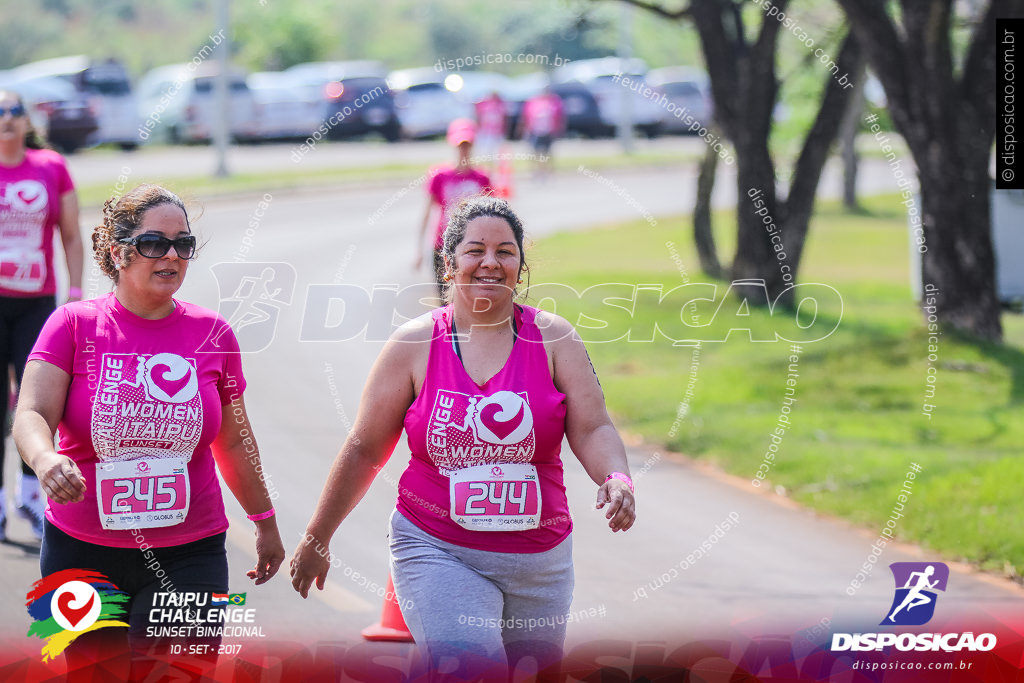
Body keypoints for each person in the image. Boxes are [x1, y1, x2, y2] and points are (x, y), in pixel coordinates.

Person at [291, 195, 636, 679]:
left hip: (541, 561)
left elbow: (593, 426)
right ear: (449, 263)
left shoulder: (555, 339)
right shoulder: (415, 344)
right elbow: (364, 447)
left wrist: (617, 477)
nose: (490, 263)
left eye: (505, 251)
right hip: (437, 547)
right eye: (475, 250)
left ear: (521, 265)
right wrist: (318, 537)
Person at [13, 184, 284, 680]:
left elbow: (235, 441)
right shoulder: (72, 325)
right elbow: (31, 413)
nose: (172, 256)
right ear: (118, 252)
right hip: (82, 547)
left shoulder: (214, 334)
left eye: (184, 244)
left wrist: (263, 519)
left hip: (190, 551)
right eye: (155, 243)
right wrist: (45, 459)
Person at [0, 90, 83, 542]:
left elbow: (71, 235)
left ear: (26, 120)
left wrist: (72, 291)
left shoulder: (50, 166)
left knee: (37, 403)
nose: (8, 119)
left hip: (37, 301)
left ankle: (31, 495)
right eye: (0, 112)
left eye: (15, 111)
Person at [415, 118, 491, 296]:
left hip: (472, 245)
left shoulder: (482, 178)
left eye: (467, 145)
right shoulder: (439, 176)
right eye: (460, 146)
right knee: (444, 299)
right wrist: (419, 249)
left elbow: (491, 216)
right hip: (442, 244)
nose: (464, 151)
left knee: (469, 298)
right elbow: (427, 213)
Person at [518, 85, 565, 179]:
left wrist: (558, 129)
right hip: (535, 131)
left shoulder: (554, 102)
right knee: (535, 153)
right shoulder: (533, 102)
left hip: (549, 132)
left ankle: (548, 172)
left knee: (547, 154)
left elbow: (560, 117)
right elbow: (526, 117)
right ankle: (536, 172)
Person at [474, 91, 507, 169]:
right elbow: (479, 117)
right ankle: (486, 169)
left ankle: (494, 170)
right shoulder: (484, 104)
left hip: (497, 133)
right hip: (486, 133)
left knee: (496, 155)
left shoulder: (501, 105)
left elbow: (504, 119)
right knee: (484, 154)